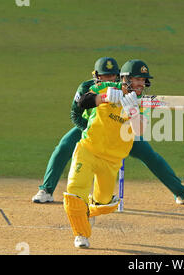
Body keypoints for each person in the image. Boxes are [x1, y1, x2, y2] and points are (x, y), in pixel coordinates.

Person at [32, 57, 184, 206]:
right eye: (104, 76)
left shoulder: (133, 93)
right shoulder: (90, 87)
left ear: (119, 75)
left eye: (112, 75)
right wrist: (93, 129)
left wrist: (132, 110)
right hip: (92, 128)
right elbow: (76, 112)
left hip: (123, 133)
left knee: (151, 157)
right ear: (96, 76)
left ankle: (182, 193)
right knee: (64, 146)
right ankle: (46, 190)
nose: (108, 79)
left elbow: (139, 127)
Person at [65, 59, 153, 248]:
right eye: (137, 79)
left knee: (103, 203)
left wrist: (133, 111)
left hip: (112, 160)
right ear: (126, 79)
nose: (140, 84)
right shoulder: (106, 87)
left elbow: (140, 130)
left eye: (143, 80)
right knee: (74, 194)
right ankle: (81, 233)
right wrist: (104, 98)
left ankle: (88, 211)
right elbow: (83, 102)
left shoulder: (141, 102)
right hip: (88, 150)